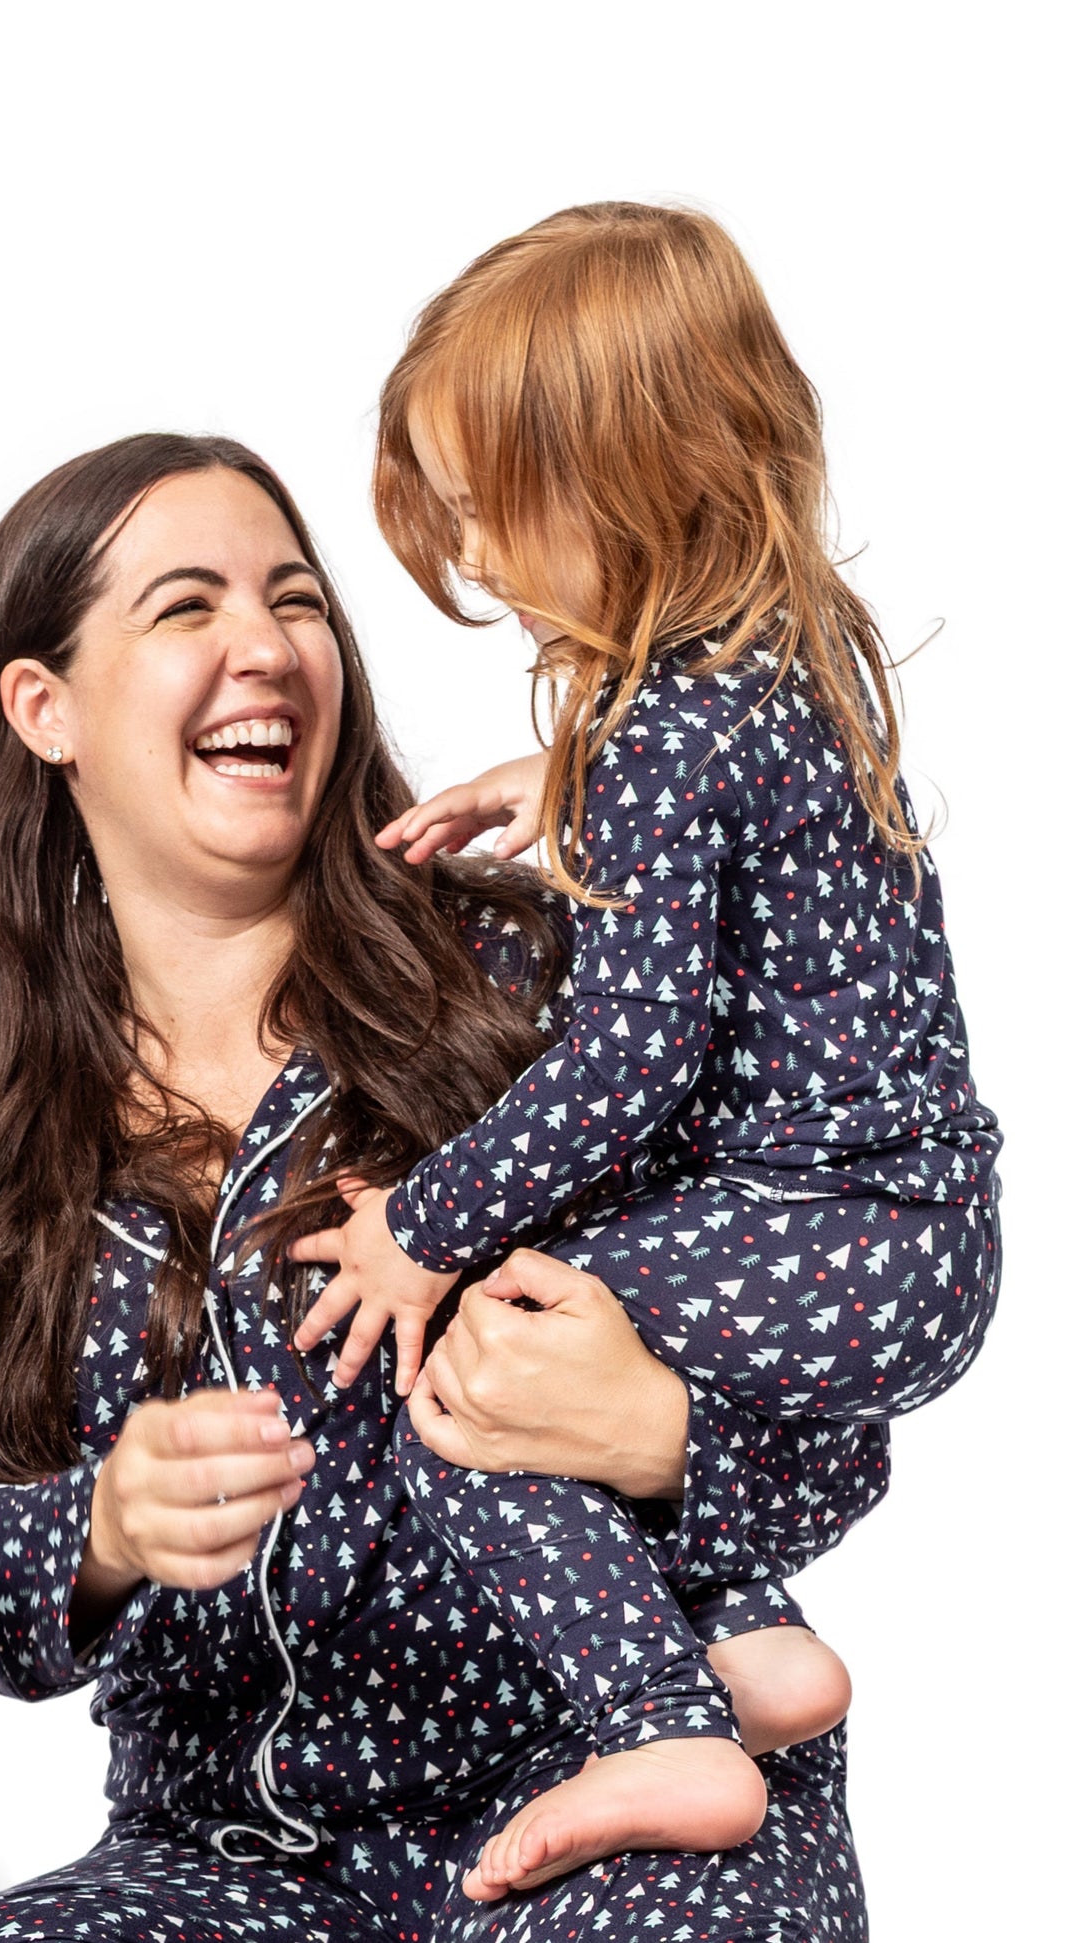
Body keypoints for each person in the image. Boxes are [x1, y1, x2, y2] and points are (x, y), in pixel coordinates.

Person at [0, 432, 992, 1940]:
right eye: (187, 608)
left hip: (616, 1799)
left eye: (298, 602)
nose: (264, 647)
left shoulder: (544, 982)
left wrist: (664, 1442)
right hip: (229, 1862)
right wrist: (105, 1525)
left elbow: (831, 1398)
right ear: (44, 707)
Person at [283, 200, 1004, 1899]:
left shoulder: (663, 739)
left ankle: (657, 1720)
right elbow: (759, 862)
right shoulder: (792, 663)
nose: (473, 564)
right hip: (916, 1225)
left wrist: (428, 1224)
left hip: (825, 1219)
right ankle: (747, 1641)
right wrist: (566, 792)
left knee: (466, 1371)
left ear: (619, 479)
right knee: (570, 1359)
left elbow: (629, 1066)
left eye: (488, 514)